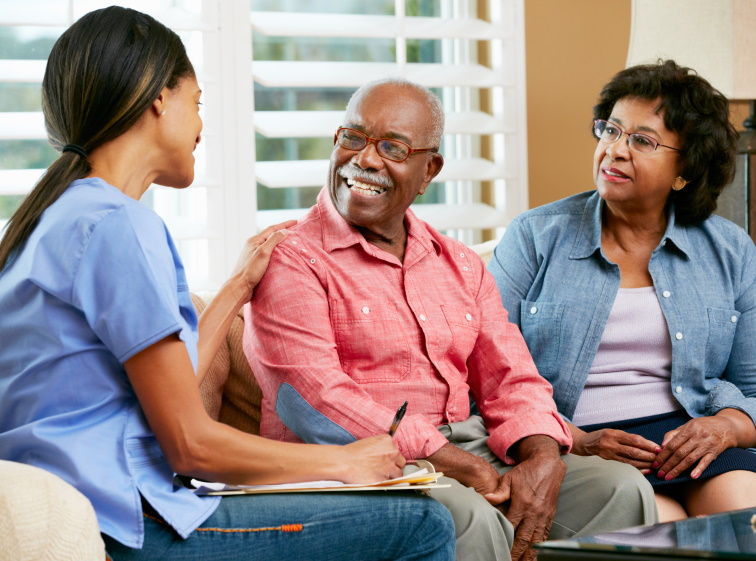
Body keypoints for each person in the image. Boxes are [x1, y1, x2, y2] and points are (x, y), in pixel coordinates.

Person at [0, 7, 455, 560]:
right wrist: (344, 460)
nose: (200, 125)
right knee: (422, 524)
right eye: (198, 103)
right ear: (159, 99)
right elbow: (190, 445)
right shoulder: (119, 225)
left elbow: (167, 398)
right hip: (131, 528)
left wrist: (239, 285)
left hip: (83, 508)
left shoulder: (55, 219)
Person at [243, 77, 657, 561]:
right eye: (353, 138)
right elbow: (313, 401)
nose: (366, 159)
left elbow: (512, 378)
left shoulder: (458, 263)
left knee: (618, 490)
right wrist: (458, 464)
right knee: (468, 514)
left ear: (429, 169)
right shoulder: (292, 258)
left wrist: (542, 455)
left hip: (467, 447)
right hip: (360, 467)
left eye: (393, 148)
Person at [487, 59, 756, 523]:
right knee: (662, 529)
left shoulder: (729, 250)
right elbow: (487, 374)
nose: (615, 150)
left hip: (692, 441)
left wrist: (727, 426)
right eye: (611, 131)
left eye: (642, 140)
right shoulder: (535, 237)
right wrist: (572, 439)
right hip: (582, 444)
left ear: (685, 171)